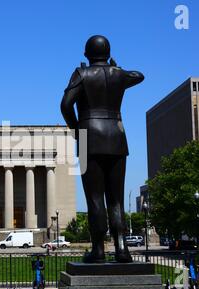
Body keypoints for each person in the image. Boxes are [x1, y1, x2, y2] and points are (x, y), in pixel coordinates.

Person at [61, 35, 144, 263]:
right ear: (108, 53)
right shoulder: (119, 74)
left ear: (87, 54)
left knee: (95, 198)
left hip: (90, 136)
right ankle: (122, 249)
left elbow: (66, 104)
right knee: (115, 198)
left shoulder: (81, 74)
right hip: (116, 136)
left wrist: (77, 128)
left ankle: (98, 250)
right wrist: (116, 69)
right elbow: (139, 75)